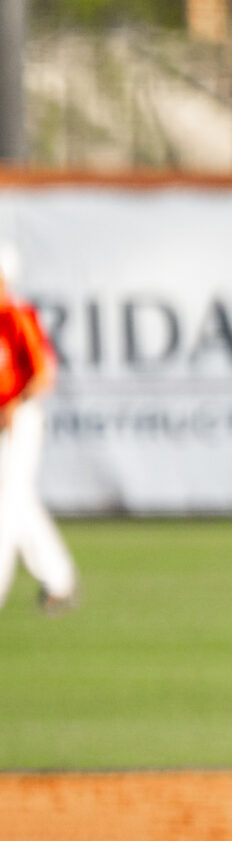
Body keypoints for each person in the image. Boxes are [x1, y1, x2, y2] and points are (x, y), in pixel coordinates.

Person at [0, 244, 78, 614]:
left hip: (19, 421)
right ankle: (59, 577)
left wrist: (15, 405)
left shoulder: (15, 315)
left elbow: (43, 374)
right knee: (17, 500)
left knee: (7, 502)